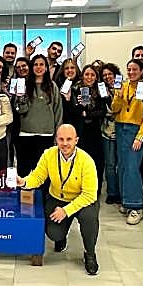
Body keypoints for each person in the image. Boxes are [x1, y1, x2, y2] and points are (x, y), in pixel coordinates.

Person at [17, 124, 101, 275]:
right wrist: (23, 182)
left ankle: (90, 254)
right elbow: (37, 177)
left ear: (76, 140)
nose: (65, 143)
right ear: (56, 140)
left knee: (89, 219)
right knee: (54, 234)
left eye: (69, 139)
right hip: (57, 198)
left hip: (82, 200)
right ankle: (61, 236)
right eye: (61, 139)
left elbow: (90, 195)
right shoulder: (49, 154)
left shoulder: (86, 161)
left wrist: (66, 211)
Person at [14, 54, 63, 176]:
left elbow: (58, 112)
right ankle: (25, 195)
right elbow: (20, 110)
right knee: (24, 172)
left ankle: (42, 195)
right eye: (35, 64)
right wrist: (20, 97)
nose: (38, 67)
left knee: (43, 172)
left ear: (46, 68)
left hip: (46, 134)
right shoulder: (24, 85)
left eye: (42, 64)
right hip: (26, 134)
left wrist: (58, 134)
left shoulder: (53, 86)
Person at [63, 64, 109, 194]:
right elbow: (70, 112)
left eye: (92, 75)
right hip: (79, 131)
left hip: (95, 132)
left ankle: (95, 189)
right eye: (87, 74)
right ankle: (79, 189)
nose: (89, 77)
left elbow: (103, 111)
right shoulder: (75, 89)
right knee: (79, 162)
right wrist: (78, 105)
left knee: (96, 162)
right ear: (82, 75)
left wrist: (88, 113)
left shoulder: (100, 91)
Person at [111, 58, 143, 224]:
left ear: (141, 71)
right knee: (123, 166)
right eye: (129, 70)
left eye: (135, 70)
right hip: (120, 127)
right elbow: (115, 109)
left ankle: (137, 206)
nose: (131, 73)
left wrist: (141, 135)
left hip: (135, 129)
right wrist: (117, 94)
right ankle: (126, 200)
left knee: (133, 167)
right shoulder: (122, 86)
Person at [100, 63, 122, 204]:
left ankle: (122, 193)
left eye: (110, 74)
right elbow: (107, 111)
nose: (108, 77)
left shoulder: (123, 87)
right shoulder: (101, 91)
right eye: (104, 75)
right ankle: (112, 192)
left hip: (123, 131)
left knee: (122, 164)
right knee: (109, 164)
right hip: (107, 132)